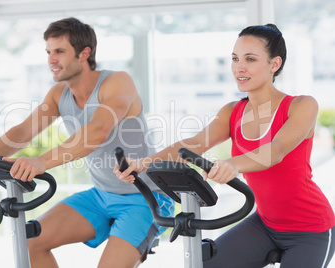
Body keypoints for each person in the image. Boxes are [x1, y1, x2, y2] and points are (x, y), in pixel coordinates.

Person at [0, 17, 174, 268]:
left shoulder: (117, 82)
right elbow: (22, 132)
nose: (51, 60)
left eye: (60, 52)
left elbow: (98, 131)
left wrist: (41, 161)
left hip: (145, 197)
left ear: (84, 53)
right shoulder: (59, 94)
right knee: (29, 241)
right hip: (101, 196)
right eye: (49, 52)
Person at [115, 24, 335, 268]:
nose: (239, 67)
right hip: (265, 223)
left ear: (274, 64)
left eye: (250, 59)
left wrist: (232, 165)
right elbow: (192, 145)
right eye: (235, 58)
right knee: (205, 264)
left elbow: (277, 150)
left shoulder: (301, 106)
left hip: (310, 229)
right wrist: (141, 164)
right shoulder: (232, 112)